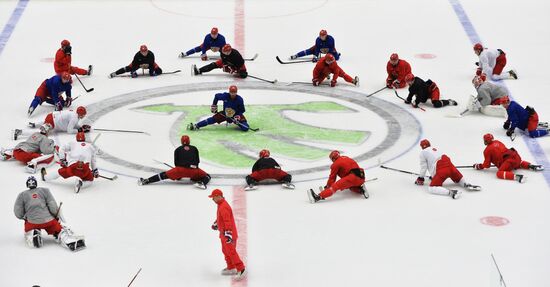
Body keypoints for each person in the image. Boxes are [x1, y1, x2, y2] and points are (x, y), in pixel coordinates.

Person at [14, 176, 85, 251]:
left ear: (27, 184)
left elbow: (17, 211)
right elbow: (52, 206)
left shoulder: (22, 195)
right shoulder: (45, 190)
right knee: (57, 228)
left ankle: (32, 234)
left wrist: (24, 217)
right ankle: (63, 236)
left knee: (29, 227)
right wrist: (56, 216)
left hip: (32, 222)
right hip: (48, 221)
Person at [414, 139, 481, 199]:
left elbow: (424, 167)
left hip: (442, 170)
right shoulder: (436, 149)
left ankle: (450, 192)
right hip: (450, 166)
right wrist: (433, 176)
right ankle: (466, 184)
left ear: (422, 147)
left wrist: (421, 178)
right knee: (458, 179)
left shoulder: (422, 153)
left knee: (431, 188)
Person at [138, 135, 211, 189]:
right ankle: (202, 183)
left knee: (164, 175)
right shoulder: (194, 148)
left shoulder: (178, 149)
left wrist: (178, 175)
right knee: (207, 176)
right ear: (189, 141)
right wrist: (194, 174)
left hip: (180, 170)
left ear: (181, 142)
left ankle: (146, 181)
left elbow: (176, 164)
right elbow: (197, 162)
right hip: (194, 170)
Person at [209, 189, 247, 281]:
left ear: (218, 196)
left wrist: (228, 234)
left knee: (231, 252)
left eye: (213, 197)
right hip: (223, 234)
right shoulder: (220, 205)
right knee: (225, 251)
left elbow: (227, 221)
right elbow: (221, 218)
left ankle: (241, 269)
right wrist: (216, 223)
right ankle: (231, 267)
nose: (212, 200)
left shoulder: (223, 207)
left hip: (228, 235)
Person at [473, 133, 542, 183]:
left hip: (509, 162)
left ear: (486, 141)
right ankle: (531, 166)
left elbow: (486, 165)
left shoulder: (487, 150)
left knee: (499, 173)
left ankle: (517, 177)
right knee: (519, 163)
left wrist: (479, 166)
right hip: (515, 156)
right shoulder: (497, 141)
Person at [14, 106, 89, 141]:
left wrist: (80, 127)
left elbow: (73, 124)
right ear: (80, 114)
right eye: (84, 114)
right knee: (40, 134)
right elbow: (69, 131)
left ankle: (35, 124)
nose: (84, 116)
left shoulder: (74, 114)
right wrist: (79, 130)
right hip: (52, 122)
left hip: (51, 116)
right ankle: (20, 132)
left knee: (45, 124)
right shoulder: (74, 118)